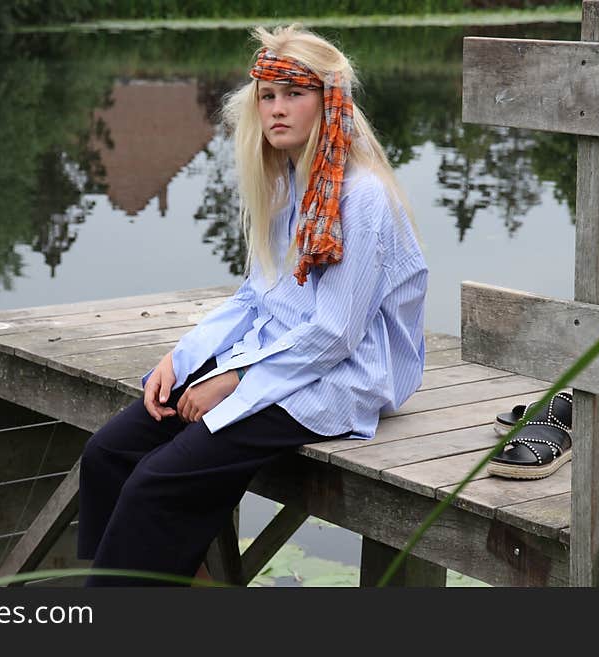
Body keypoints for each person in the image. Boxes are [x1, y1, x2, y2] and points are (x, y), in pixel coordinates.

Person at [76, 24, 428, 586]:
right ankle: (139, 585)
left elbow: (336, 333)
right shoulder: (286, 182)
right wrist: (185, 358)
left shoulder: (361, 197)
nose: (277, 110)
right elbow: (254, 297)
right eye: (268, 96)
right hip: (275, 356)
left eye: (295, 94)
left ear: (329, 101)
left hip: (341, 376)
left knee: (159, 482)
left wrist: (235, 380)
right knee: (109, 454)